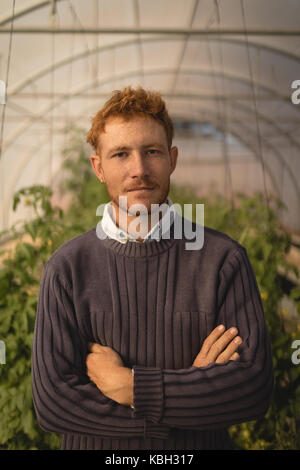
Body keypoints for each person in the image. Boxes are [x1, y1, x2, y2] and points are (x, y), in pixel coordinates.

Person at [31, 86, 273, 450]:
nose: (138, 170)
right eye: (121, 154)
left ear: (172, 159)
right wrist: (186, 396)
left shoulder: (223, 260)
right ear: (98, 167)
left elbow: (252, 388)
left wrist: (126, 385)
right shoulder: (68, 268)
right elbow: (53, 403)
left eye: (152, 152)